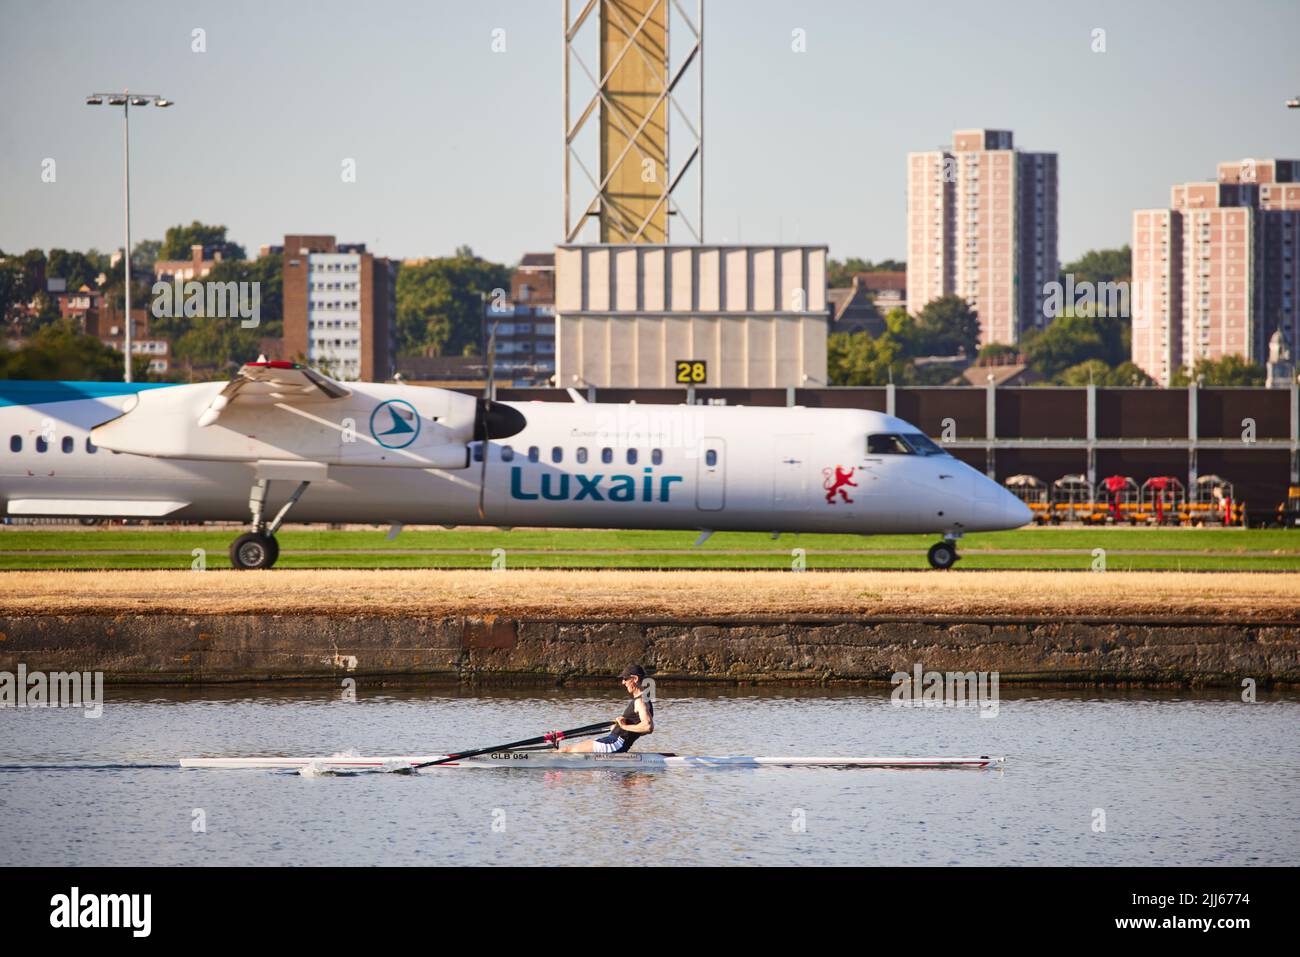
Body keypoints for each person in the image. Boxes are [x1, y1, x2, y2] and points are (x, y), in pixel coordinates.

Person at [559, 665, 654, 753]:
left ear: (635, 679)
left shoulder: (641, 701)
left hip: (615, 744)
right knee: (568, 750)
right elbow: (642, 730)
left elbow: (647, 727)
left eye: (625, 679)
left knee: (566, 750)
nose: (623, 682)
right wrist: (618, 728)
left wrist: (624, 727)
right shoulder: (643, 700)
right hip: (614, 741)